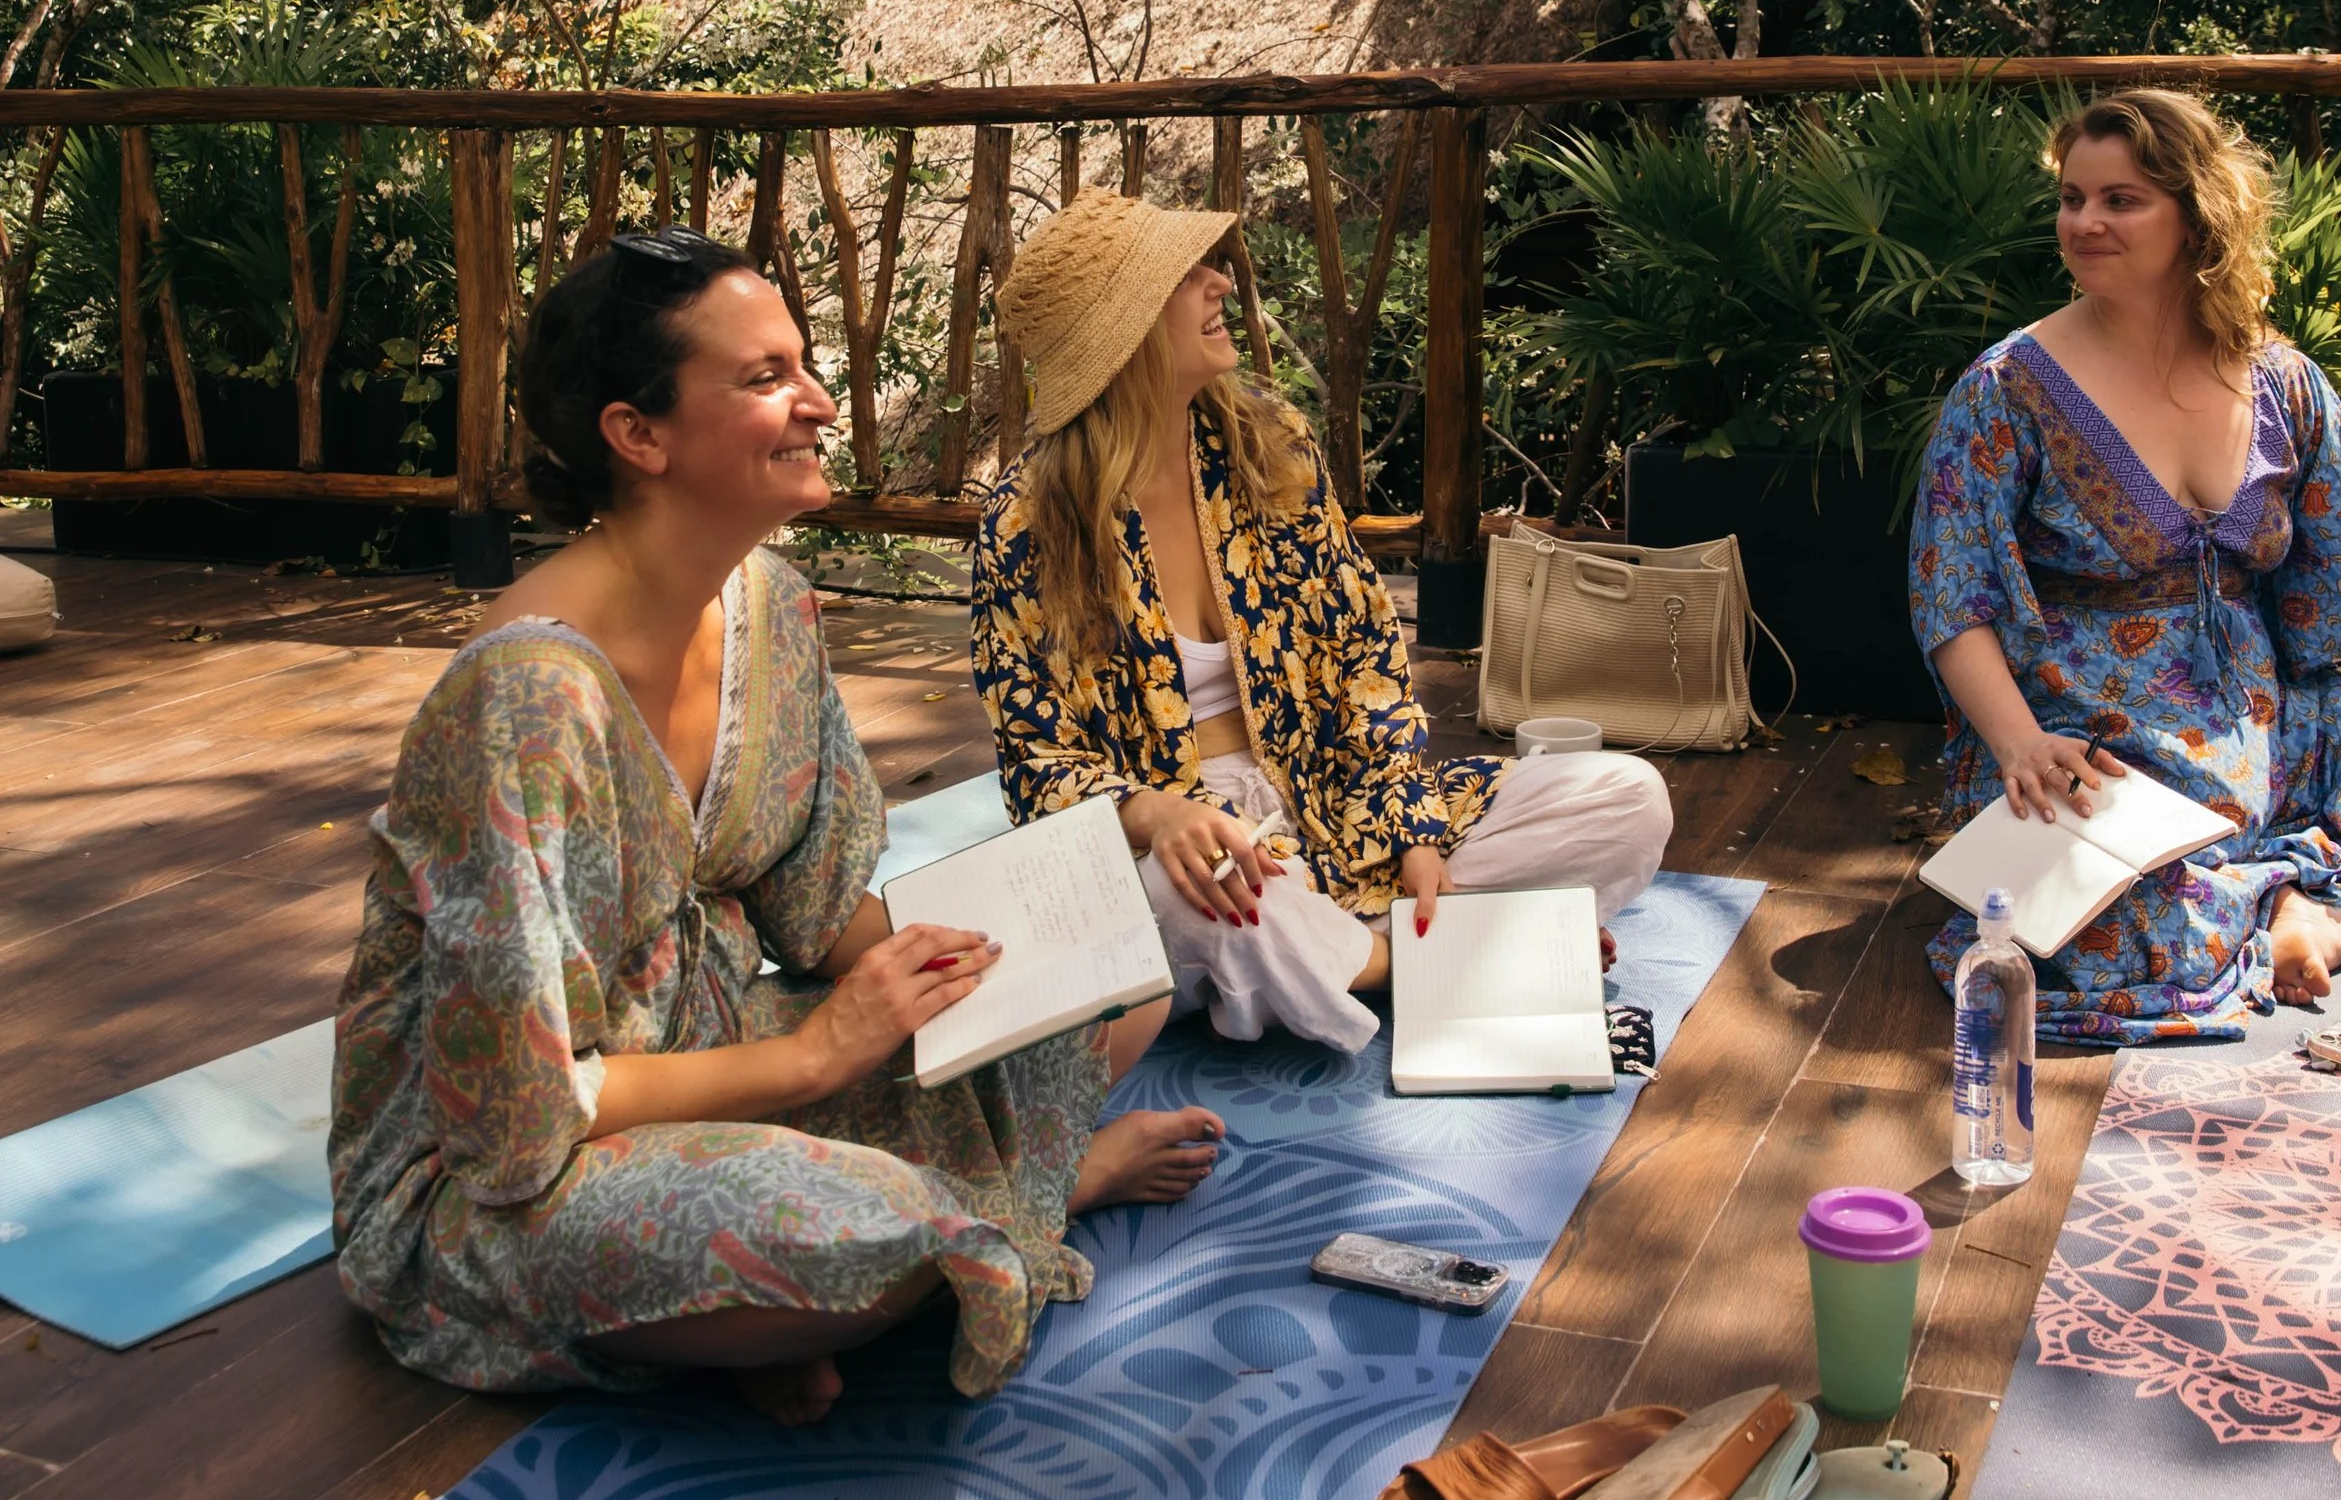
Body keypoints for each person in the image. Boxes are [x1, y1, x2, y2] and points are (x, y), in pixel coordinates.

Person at [330, 228, 1219, 1426]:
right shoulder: (524, 703)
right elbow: (513, 1124)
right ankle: (1005, 1204)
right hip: (506, 1179)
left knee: (1115, 987)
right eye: (763, 379)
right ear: (636, 435)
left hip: (717, 1054)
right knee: (843, 1228)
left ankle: (759, 1313)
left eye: (801, 366)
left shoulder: (768, 605)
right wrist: (819, 1056)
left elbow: (813, 914)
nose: (817, 405)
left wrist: (1000, 964)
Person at [969, 189, 1674, 1049]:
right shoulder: (1027, 521)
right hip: (1194, 850)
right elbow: (1036, 765)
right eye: (1187, 277)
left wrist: (1411, 828)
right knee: (1191, 902)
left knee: (1625, 796)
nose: (1221, 282)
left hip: (1335, 807)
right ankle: (1429, 960)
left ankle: (1352, 957)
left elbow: (1366, 660)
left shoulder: (1271, 449)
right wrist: (1156, 815)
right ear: (1128, 332)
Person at [1910, 89, 2341, 1027]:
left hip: (2272, 726)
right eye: (2073, 198)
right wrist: (2020, 743)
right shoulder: (2005, 389)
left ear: (2196, 218)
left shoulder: (2281, 382)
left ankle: (2338, 922)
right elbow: (1954, 601)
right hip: (2093, 743)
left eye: (2121, 200)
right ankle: (2289, 894)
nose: (2085, 222)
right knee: (2130, 943)